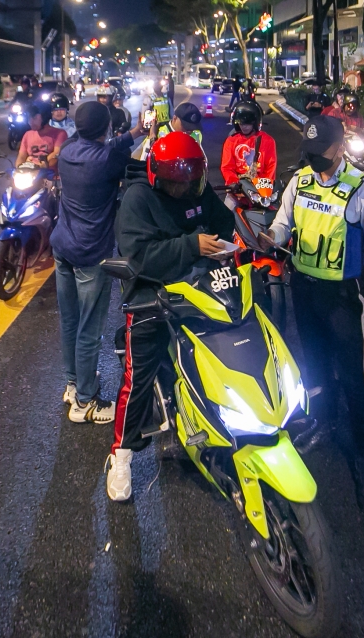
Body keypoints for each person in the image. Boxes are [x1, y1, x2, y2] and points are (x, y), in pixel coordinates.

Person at [267, 115, 364, 513]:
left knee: (356, 383)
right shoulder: (301, 181)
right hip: (304, 292)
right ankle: (323, 422)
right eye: (308, 154)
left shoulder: (360, 190)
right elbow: (282, 223)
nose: (312, 161)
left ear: (340, 150)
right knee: (315, 367)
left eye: (319, 155)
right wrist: (269, 238)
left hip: (344, 300)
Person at [107, 132, 236, 501]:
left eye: (190, 182)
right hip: (150, 295)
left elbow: (222, 222)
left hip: (199, 288)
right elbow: (137, 257)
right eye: (175, 184)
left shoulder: (196, 188)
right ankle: (121, 455)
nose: (184, 190)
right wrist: (192, 244)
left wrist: (221, 246)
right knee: (139, 377)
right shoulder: (138, 199)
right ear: (157, 176)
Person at [54, 102, 147, 423]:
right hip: (90, 252)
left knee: (69, 321)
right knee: (89, 329)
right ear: (106, 126)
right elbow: (138, 169)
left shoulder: (67, 149)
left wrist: (134, 133)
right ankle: (85, 402)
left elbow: (103, 148)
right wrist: (140, 139)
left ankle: (72, 384)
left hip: (62, 245)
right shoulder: (109, 160)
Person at [220, 100, 277, 186]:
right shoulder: (231, 141)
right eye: (241, 123)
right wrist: (235, 184)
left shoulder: (268, 141)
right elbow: (227, 167)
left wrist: (264, 186)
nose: (244, 127)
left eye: (248, 124)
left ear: (255, 123)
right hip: (238, 186)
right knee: (228, 200)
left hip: (259, 187)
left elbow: (270, 167)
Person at [139, 102, 204, 162]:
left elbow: (201, 159)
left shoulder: (196, 134)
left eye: (193, 127)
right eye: (185, 126)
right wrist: (152, 139)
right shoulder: (159, 134)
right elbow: (143, 161)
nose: (189, 130)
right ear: (175, 118)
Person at [15, 103, 67, 171]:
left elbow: (56, 154)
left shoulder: (60, 134)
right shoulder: (27, 135)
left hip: (50, 177)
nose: (30, 122)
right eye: (29, 118)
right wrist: (19, 168)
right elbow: (21, 157)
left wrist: (40, 165)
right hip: (29, 174)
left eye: (34, 118)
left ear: (44, 117)